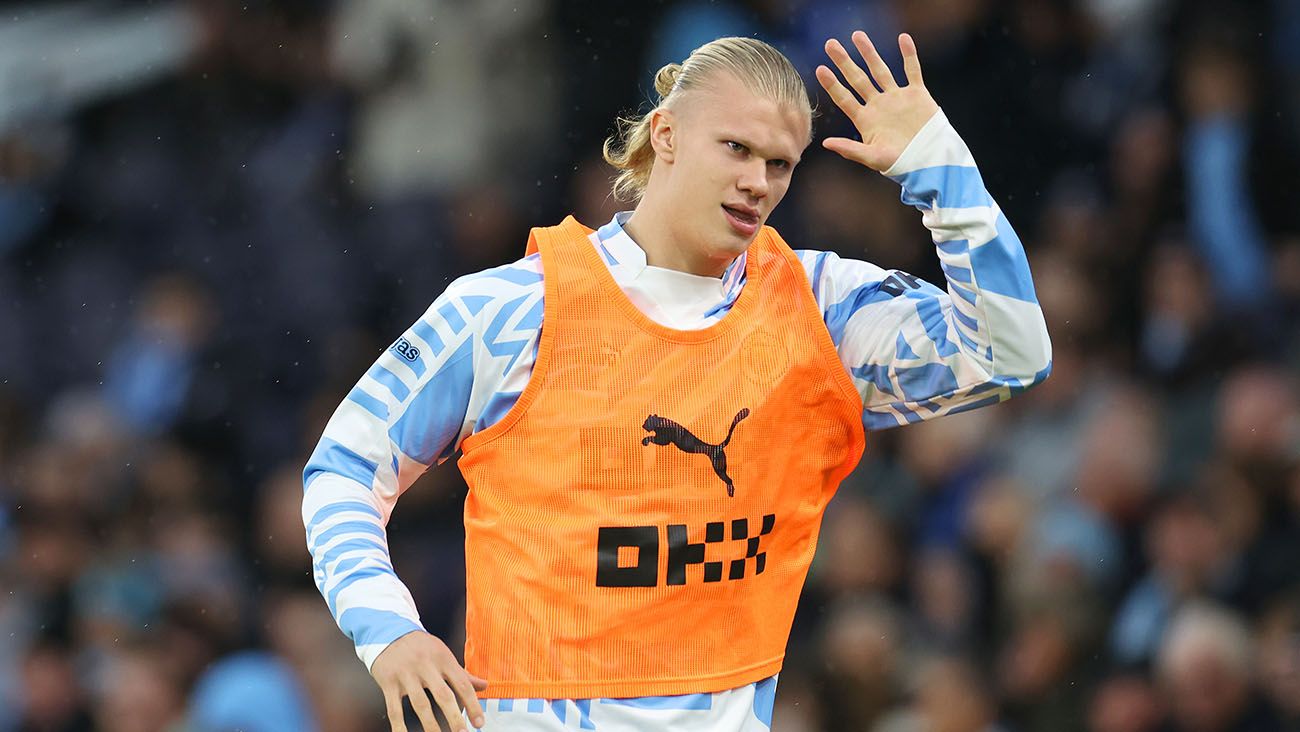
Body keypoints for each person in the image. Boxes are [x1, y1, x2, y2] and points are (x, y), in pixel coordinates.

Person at [303, 30, 1051, 732]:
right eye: (736, 148)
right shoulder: (507, 311)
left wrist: (941, 171)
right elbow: (342, 470)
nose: (756, 182)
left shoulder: (820, 311)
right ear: (664, 135)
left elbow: (1011, 355)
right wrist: (388, 630)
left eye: (780, 164)